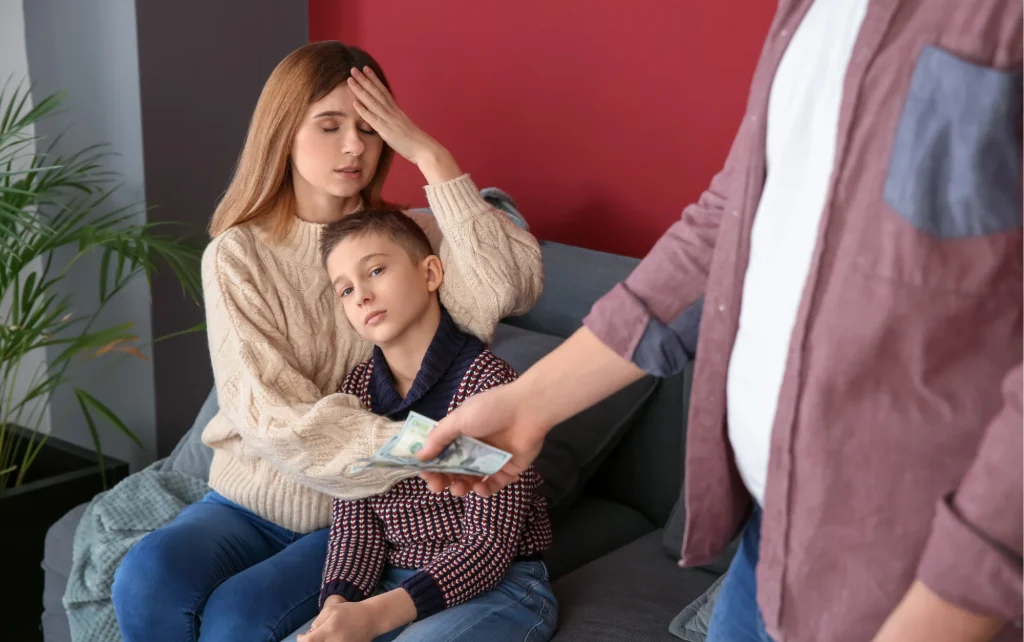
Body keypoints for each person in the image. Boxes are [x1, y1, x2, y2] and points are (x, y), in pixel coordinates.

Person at [417, 2, 1023, 641]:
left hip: (931, 601)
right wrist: (530, 403)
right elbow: (727, 226)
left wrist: (946, 612)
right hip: (764, 560)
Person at [111, 41, 543, 642]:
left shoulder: (405, 240)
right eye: (330, 125)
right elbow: (270, 416)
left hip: (352, 516)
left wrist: (430, 155)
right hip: (246, 502)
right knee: (144, 577)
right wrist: (439, 446)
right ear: (284, 131)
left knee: (239, 619)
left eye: (371, 129)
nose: (354, 147)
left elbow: (512, 287)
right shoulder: (237, 254)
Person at [293, 209, 555, 642]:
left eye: (375, 270)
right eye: (345, 289)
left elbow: (488, 546)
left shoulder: (491, 386)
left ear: (430, 272)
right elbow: (355, 524)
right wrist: (339, 606)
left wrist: (377, 616)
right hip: (390, 581)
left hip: (501, 585)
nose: (361, 296)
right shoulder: (356, 389)